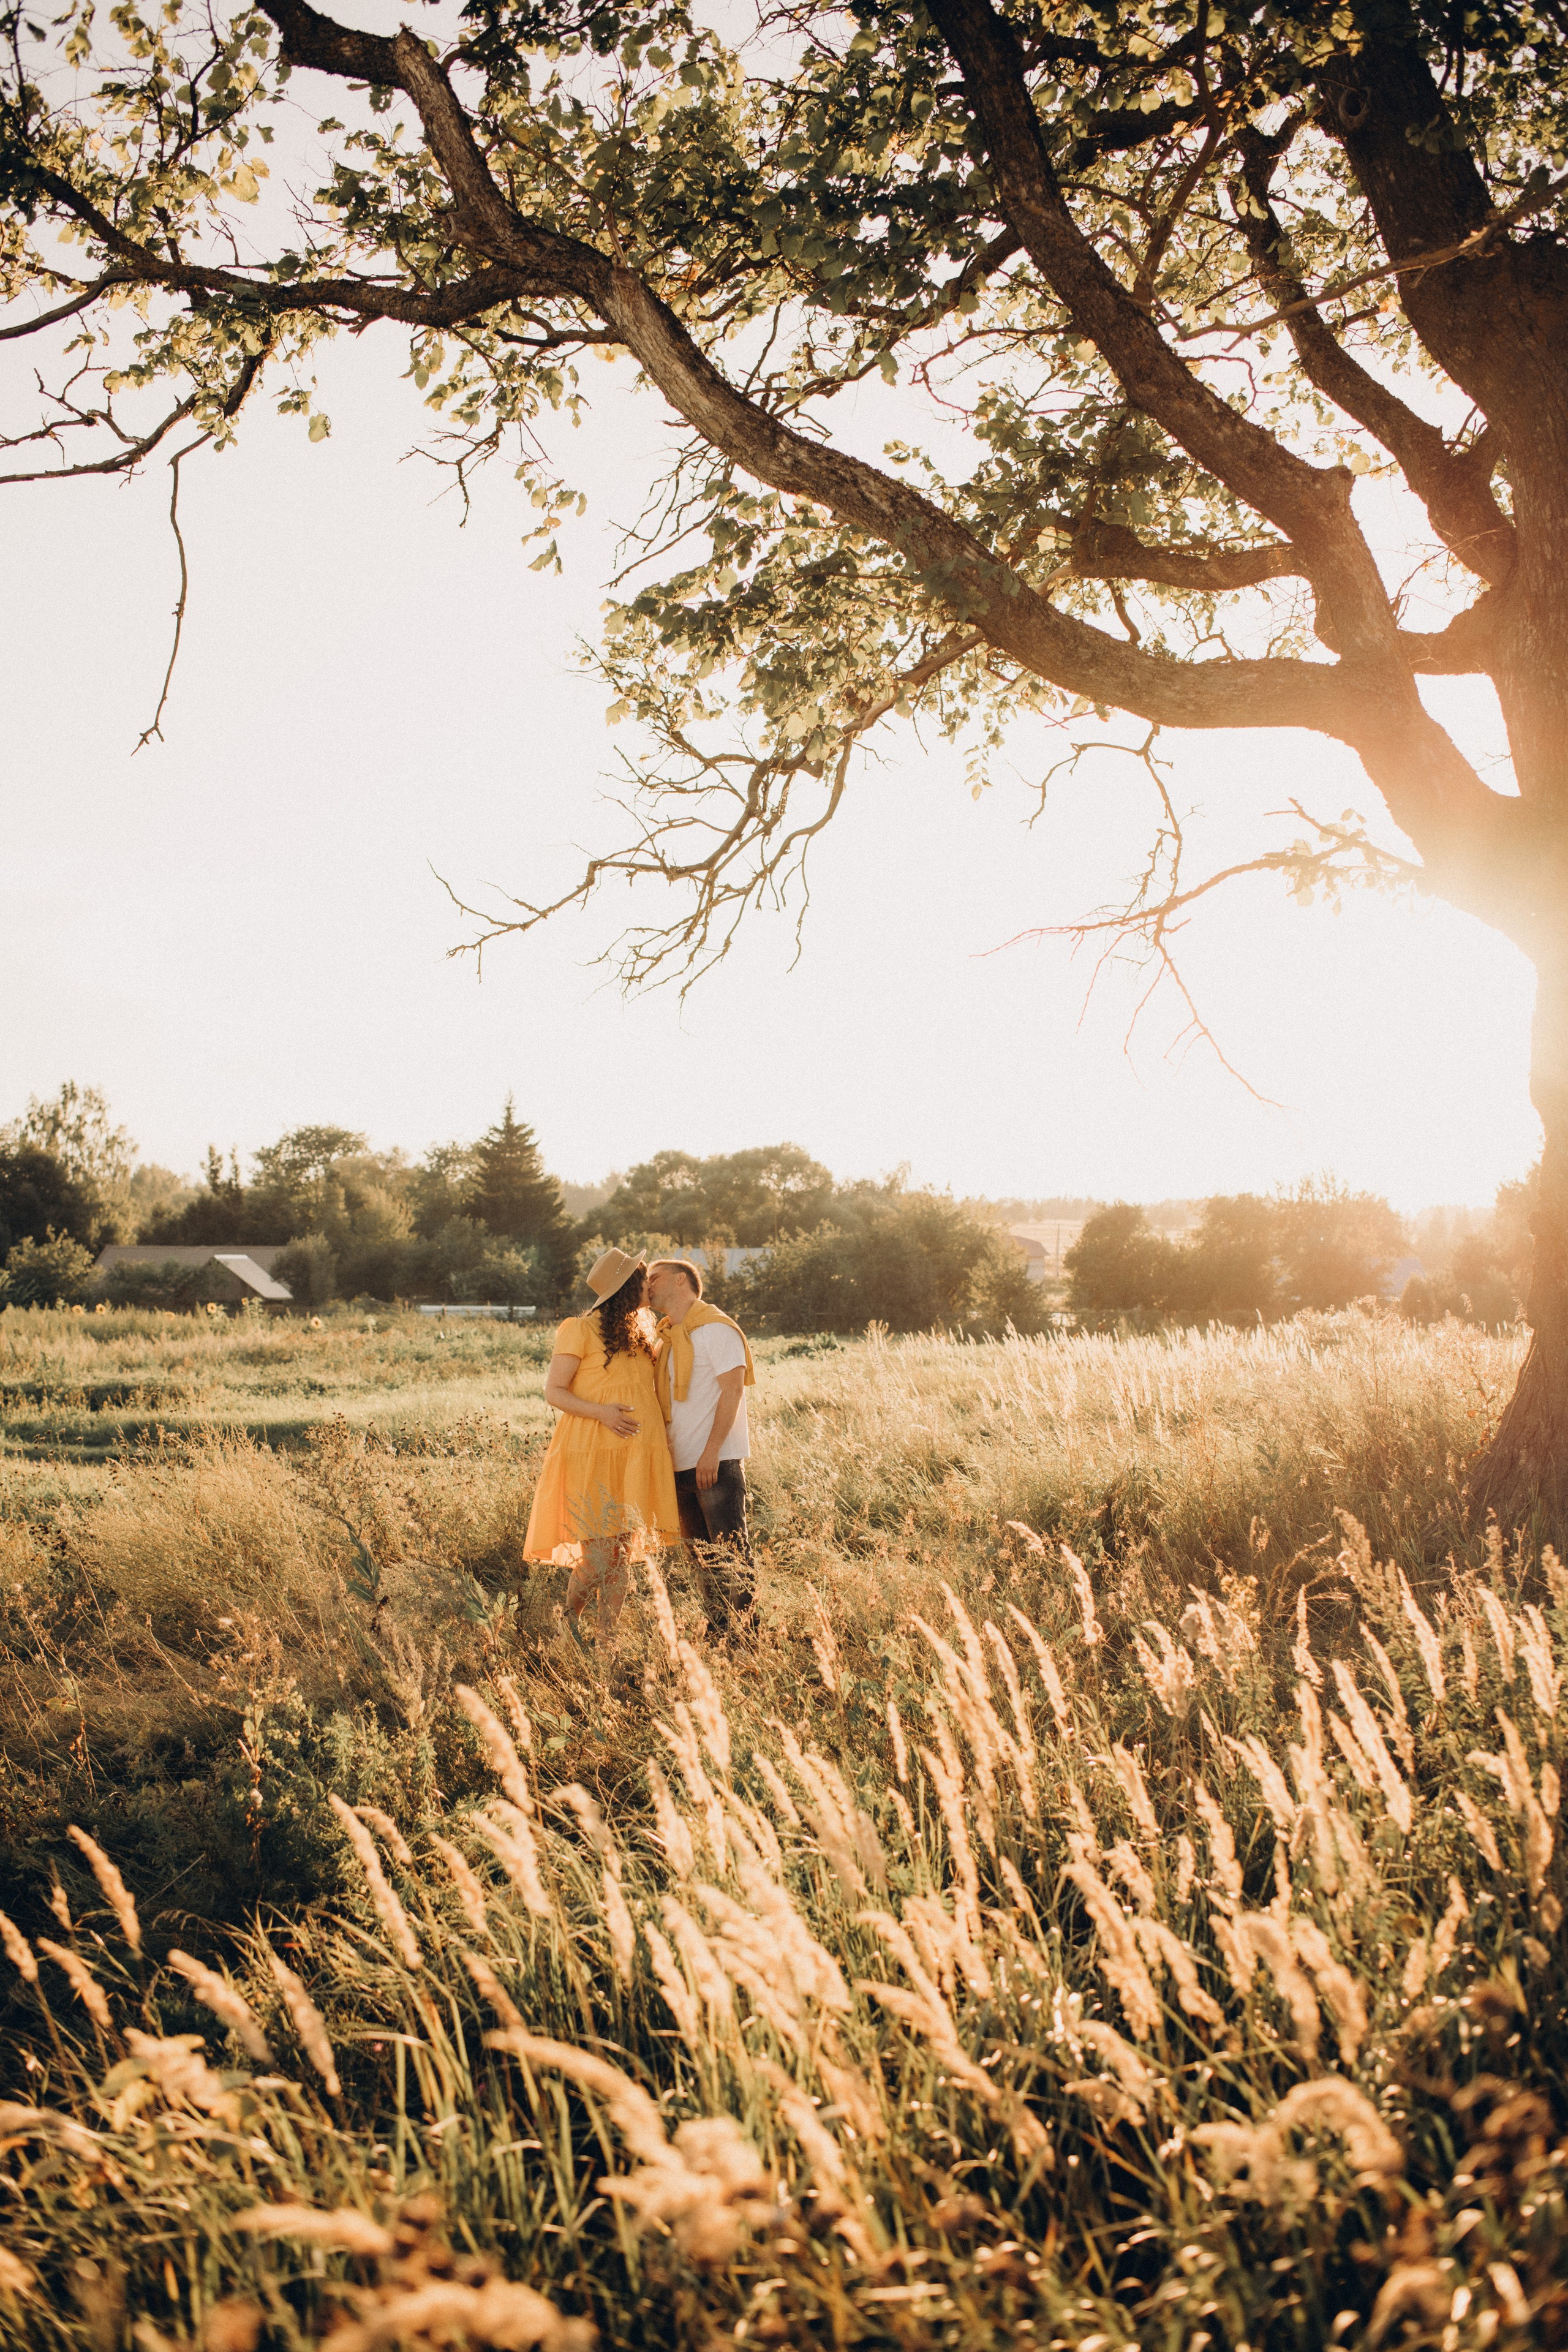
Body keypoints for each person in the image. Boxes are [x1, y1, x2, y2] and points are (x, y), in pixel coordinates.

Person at [524, 1249, 680, 1647]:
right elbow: (554, 1392)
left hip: (635, 1454)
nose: (648, 1285)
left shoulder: (644, 1332)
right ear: (625, 1288)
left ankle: (605, 1642)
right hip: (592, 1450)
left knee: (621, 1556)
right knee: (597, 1557)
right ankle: (567, 1619)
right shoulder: (579, 1329)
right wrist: (601, 1413)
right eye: (641, 1279)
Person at [646, 1256, 756, 1634]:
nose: (646, 1285)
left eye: (654, 1278)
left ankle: (746, 1635)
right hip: (679, 1464)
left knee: (730, 1551)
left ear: (681, 1281)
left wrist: (711, 1452)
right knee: (701, 1557)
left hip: (716, 1461)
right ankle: (720, 1629)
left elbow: (733, 1391)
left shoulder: (716, 1330)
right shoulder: (667, 1339)